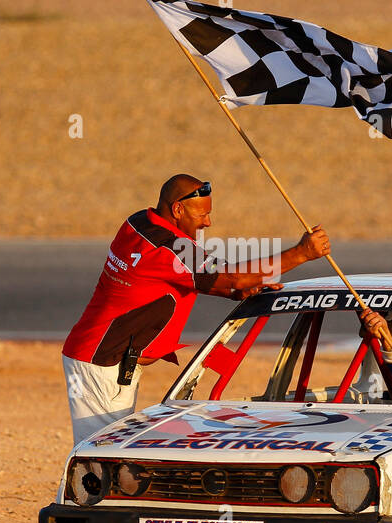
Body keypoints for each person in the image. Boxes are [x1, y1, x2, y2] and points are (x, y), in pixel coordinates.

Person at [62, 175, 331, 443]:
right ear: (178, 209)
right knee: (100, 455)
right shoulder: (168, 248)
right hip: (102, 362)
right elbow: (232, 275)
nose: (208, 222)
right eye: (202, 214)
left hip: (101, 357)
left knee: (110, 454)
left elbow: (192, 278)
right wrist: (302, 254)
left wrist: (232, 291)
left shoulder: (139, 222)